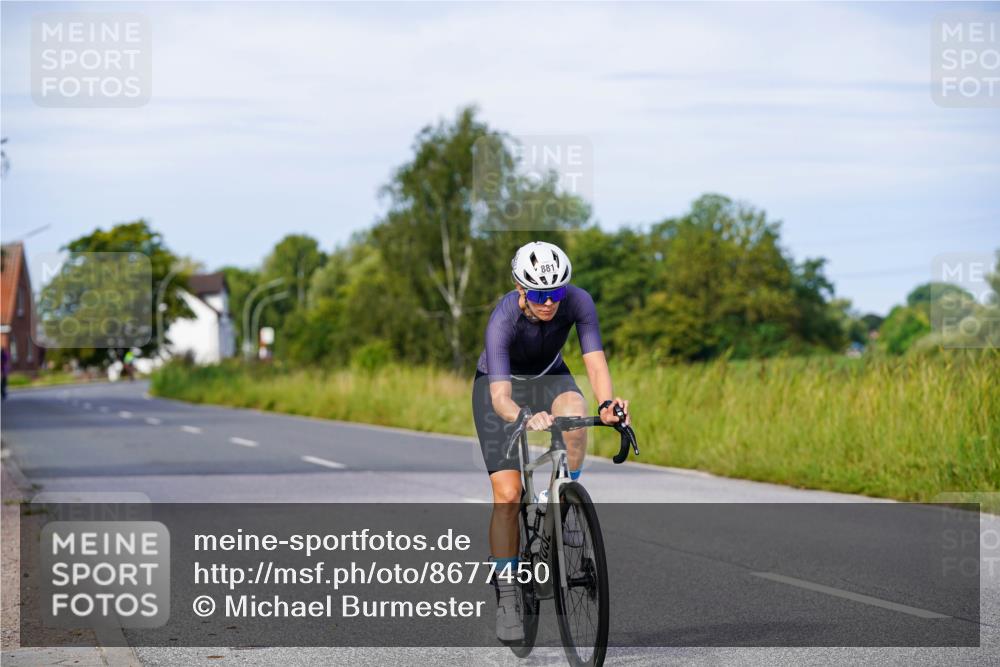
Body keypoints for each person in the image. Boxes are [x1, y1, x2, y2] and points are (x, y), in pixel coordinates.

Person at [471, 241, 631, 643]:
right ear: (521, 289)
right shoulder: (503, 318)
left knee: (576, 416)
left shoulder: (578, 301)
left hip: (549, 377)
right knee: (508, 495)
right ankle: (508, 593)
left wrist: (609, 403)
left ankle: (566, 494)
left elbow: (594, 360)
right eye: (540, 295)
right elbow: (500, 398)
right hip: (500, 389)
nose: (549, 303)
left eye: (556, 293)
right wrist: (523, 417)